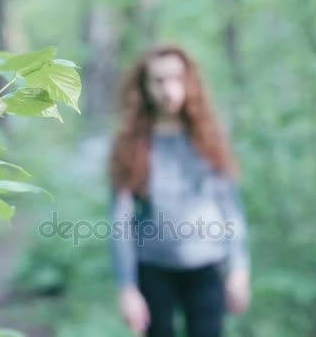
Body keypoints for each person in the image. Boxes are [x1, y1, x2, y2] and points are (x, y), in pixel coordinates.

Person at [107, 44, 250, 337]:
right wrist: (127, 289)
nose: (168, 89)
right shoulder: (131, 144)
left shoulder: (209, 137)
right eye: (158, 80)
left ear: (189, 81)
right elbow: (119, 221)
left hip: (208, 266)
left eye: (176, 78)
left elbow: (230, 208)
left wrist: (239, 270)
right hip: (153, 268)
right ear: (144, 87)